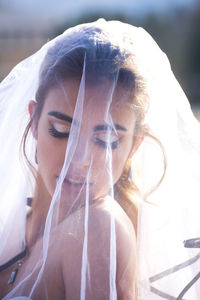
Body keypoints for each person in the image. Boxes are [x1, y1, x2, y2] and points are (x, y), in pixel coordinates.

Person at [0, 19, 200, 300]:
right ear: (33, 119)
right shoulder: (12, 223)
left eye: (106, 141)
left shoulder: (99, 232)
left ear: (134, 145)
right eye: (62, 131)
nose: (80, 159)